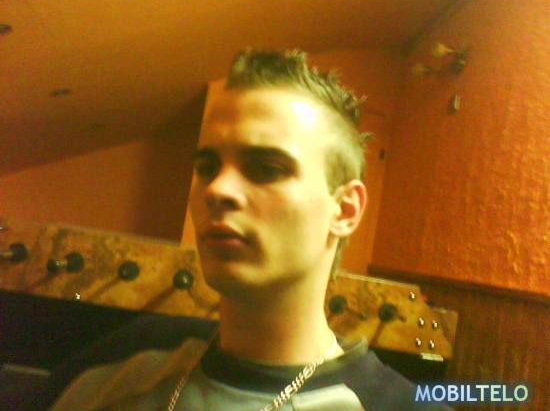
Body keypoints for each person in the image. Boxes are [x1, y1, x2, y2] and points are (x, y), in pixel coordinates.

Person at [23, 49, 453, 410]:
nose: (217, 189)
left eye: (266, 168)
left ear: (344, 210)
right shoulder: (122, 362)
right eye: (208, 166)